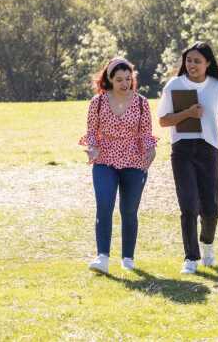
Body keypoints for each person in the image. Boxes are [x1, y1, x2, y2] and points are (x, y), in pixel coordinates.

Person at [158, 42, 218, 274]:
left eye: (197, 61)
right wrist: (188, 114)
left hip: (208, 149)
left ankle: (208, 246)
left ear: (208, 64)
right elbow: (163, 121)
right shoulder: (174, 85)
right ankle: (191, 257)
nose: (191, 65)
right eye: (189, 60)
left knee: (211, 208)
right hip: (182, 150)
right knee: (188, 205)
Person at [79, 57, 157, 274]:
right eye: (120, 79)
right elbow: (92, 133)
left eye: (128, 79)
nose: (125, 84)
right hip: (105, 160)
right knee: (104, 205)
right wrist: (92, 149)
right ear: (110, 80)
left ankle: (128, 258)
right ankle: (102, 257)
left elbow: (146, 134)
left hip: (134, 160)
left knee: (129, 210)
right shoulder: (98, 102)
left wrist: (151, 150)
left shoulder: (141, 102)